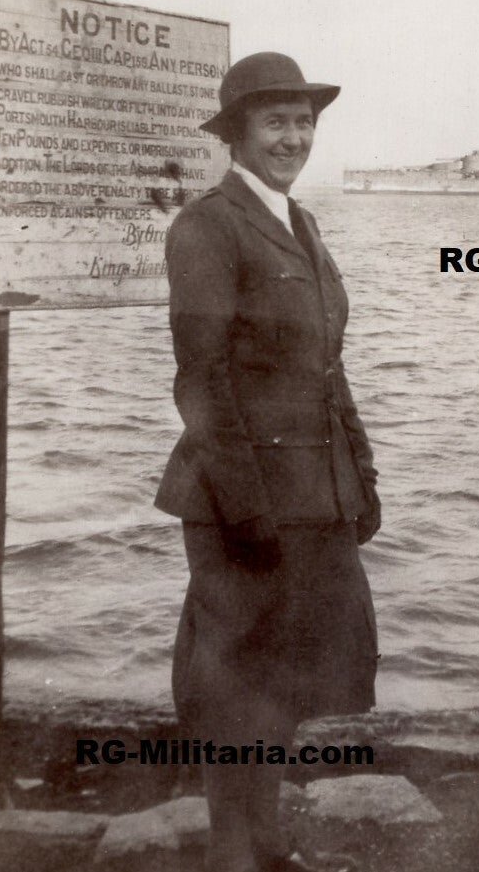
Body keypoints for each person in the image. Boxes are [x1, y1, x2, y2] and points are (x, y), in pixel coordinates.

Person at [155, 52, 381, 872]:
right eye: (275, 122)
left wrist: (362, 476)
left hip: (315, 497)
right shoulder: (207, 225)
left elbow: (328, 364)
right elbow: (201, 379)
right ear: (236, 135)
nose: (294, 136)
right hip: (238, 499)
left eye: (304, 121)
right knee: (235, 685)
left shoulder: (300, 222)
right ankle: (229, 855)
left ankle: (268, 846)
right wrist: (247, 509)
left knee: (286, 681)